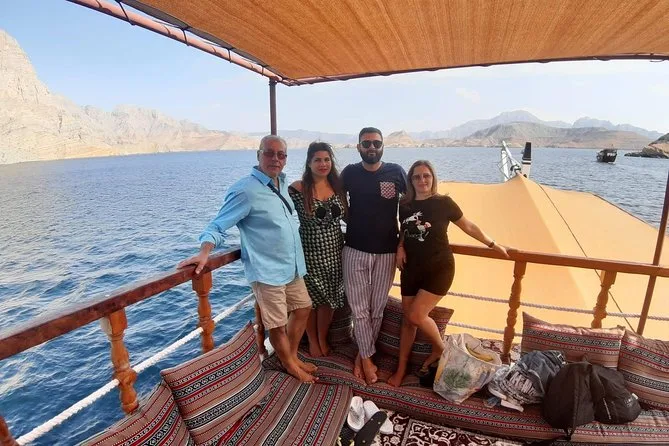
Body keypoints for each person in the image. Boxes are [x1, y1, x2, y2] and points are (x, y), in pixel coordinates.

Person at [178, 135, 317, 383]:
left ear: (286, 159)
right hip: (266, 270)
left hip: (292, 266)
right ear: (258, 155)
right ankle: (289, 365)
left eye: (281, 154)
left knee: (304, 307)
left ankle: (292, 356)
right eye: (269, 153)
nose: (275, 159)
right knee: (276, 324)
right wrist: (204, 252)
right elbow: (217, 225)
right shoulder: (245, 190)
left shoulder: (281, 183)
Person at [387, 160, 509, 387]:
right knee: (408, 322)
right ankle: (401, 368)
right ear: (411, 181)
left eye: (426, 175)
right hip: (410, 269)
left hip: (439, 268)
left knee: (416, 316)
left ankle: (441, 349)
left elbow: (468, 226)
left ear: (433, 178)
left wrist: (493, 244)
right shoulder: (405, 205)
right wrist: (400, 246)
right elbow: (404, 229)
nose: (422, 180)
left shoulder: (444, 203)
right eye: (416, 177)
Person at [341, 127, 407, 384]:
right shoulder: (350, 173)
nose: (371, 147)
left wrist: (402, 243)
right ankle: (368, 359)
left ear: (382, 146)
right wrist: (348, 217)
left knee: (376, 309)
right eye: (366, 143)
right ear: (358, 146)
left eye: (376, 143)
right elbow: (335, 195)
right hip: (355, 249)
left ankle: (362, 355)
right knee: (359, 309)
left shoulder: (396, 172)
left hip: (387, 252)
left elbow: (411, 206)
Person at [288, 142, 346, 357]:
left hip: (335, 253)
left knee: (329, 300)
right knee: (310, 301)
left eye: (327, 159)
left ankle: (322, 337)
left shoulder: (338, 187)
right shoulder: (297, 189)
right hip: (309, 254)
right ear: (309, 163)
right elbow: (277, 214)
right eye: (318, 160)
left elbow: (350, 216)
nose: (323, 164)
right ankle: (313, 340)